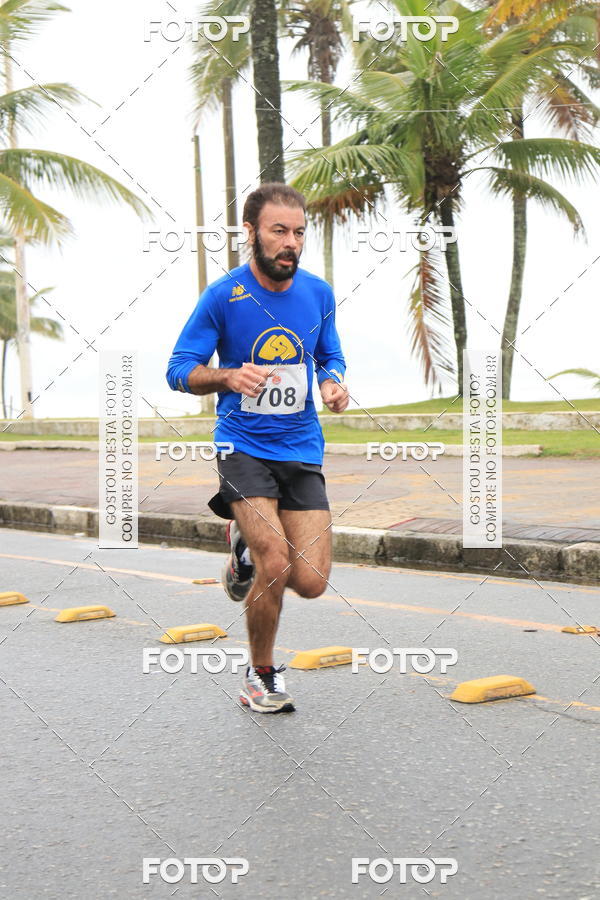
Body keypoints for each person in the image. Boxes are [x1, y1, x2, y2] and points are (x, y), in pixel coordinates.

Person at [166, 183, 349, 713]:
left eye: (298, 233)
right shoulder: (223, 295)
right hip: (241, 444)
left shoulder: (317, 293)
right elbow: (179, 370)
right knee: (276, 562)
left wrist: (333, 382)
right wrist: (226, 376)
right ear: (250, 233)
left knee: (310, 581)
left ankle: (241, 546)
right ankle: (260, 674)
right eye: (279, 231)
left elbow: (329, 354)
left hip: (300, 445)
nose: (290, 243)